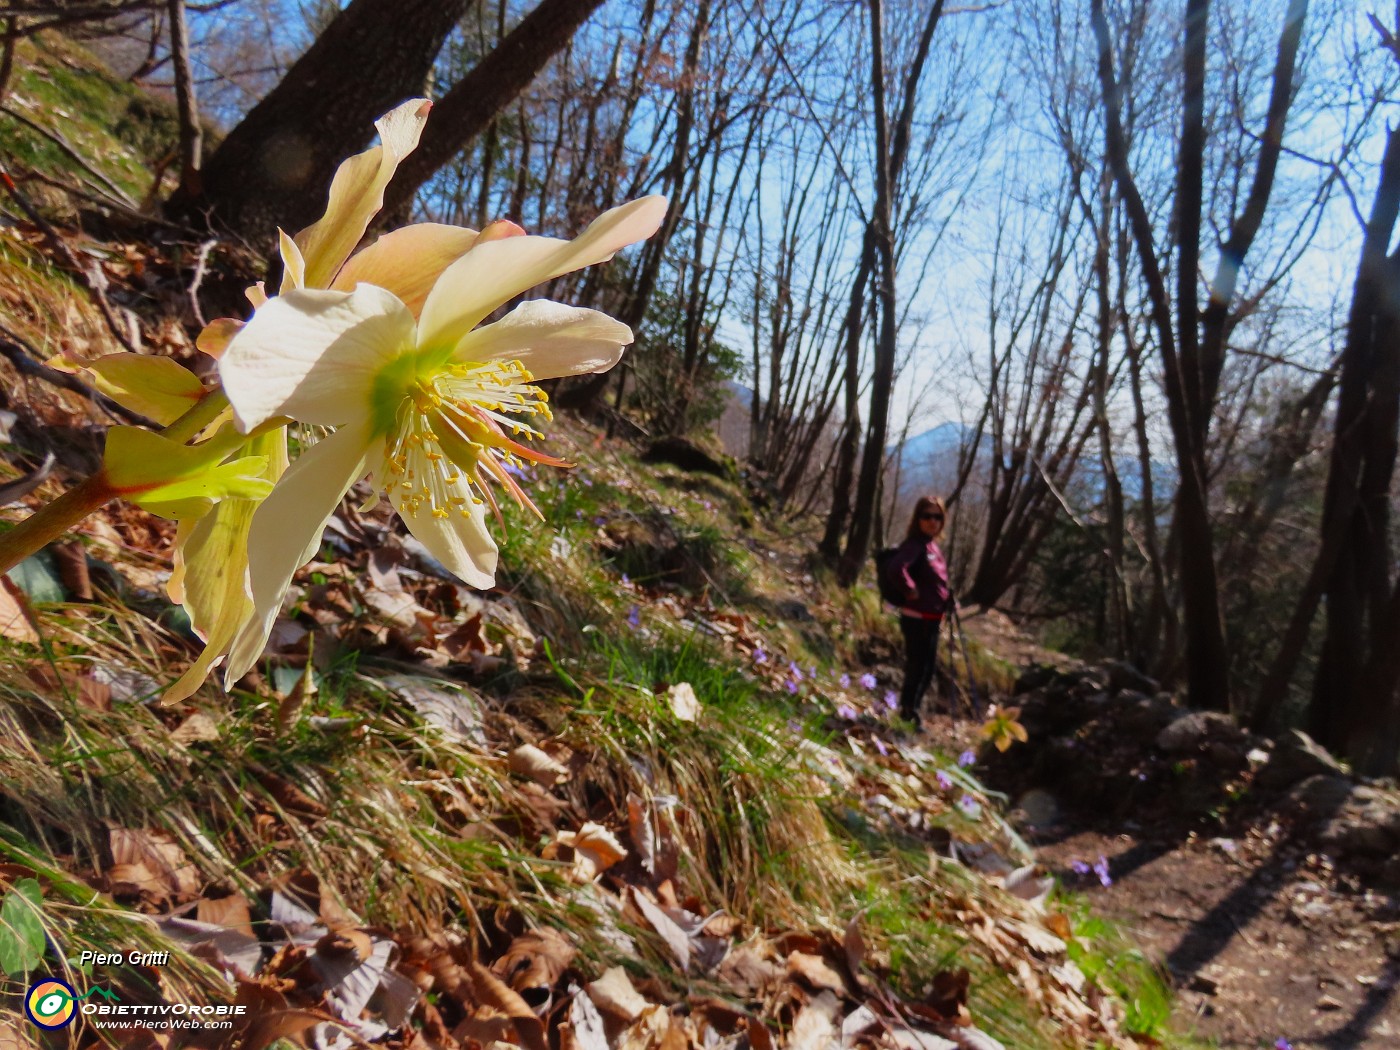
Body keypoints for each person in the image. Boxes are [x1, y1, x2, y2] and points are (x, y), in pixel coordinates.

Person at [884, 495, 950, 724]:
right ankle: (908, 712)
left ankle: (911, 711)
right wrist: (911, 591)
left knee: (927, 668)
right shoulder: (915, 545)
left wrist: (946, 598)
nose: (933, 521)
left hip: (932, 618)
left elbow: (935, 581)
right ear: (918, 519)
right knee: (918, 667)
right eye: (927, 516)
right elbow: (895, 569)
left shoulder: (932, 546)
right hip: (916, 618)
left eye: (938, 517)